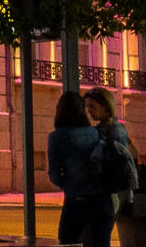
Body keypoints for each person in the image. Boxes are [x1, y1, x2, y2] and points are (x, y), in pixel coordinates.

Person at [46, 91, 115, 247]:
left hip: (76, 202)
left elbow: (54, 174)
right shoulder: (95, 133)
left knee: (67, 242)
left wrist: (69, 185)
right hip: (102, 200)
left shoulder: (56, 137)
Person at [84, 88, 136, 217]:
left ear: (105, 106)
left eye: (92, 106)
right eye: (87, 106)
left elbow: (115, 163)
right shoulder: (112, 127)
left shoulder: (111, 130)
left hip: (109, 192)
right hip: (109, 191)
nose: (88, 110)